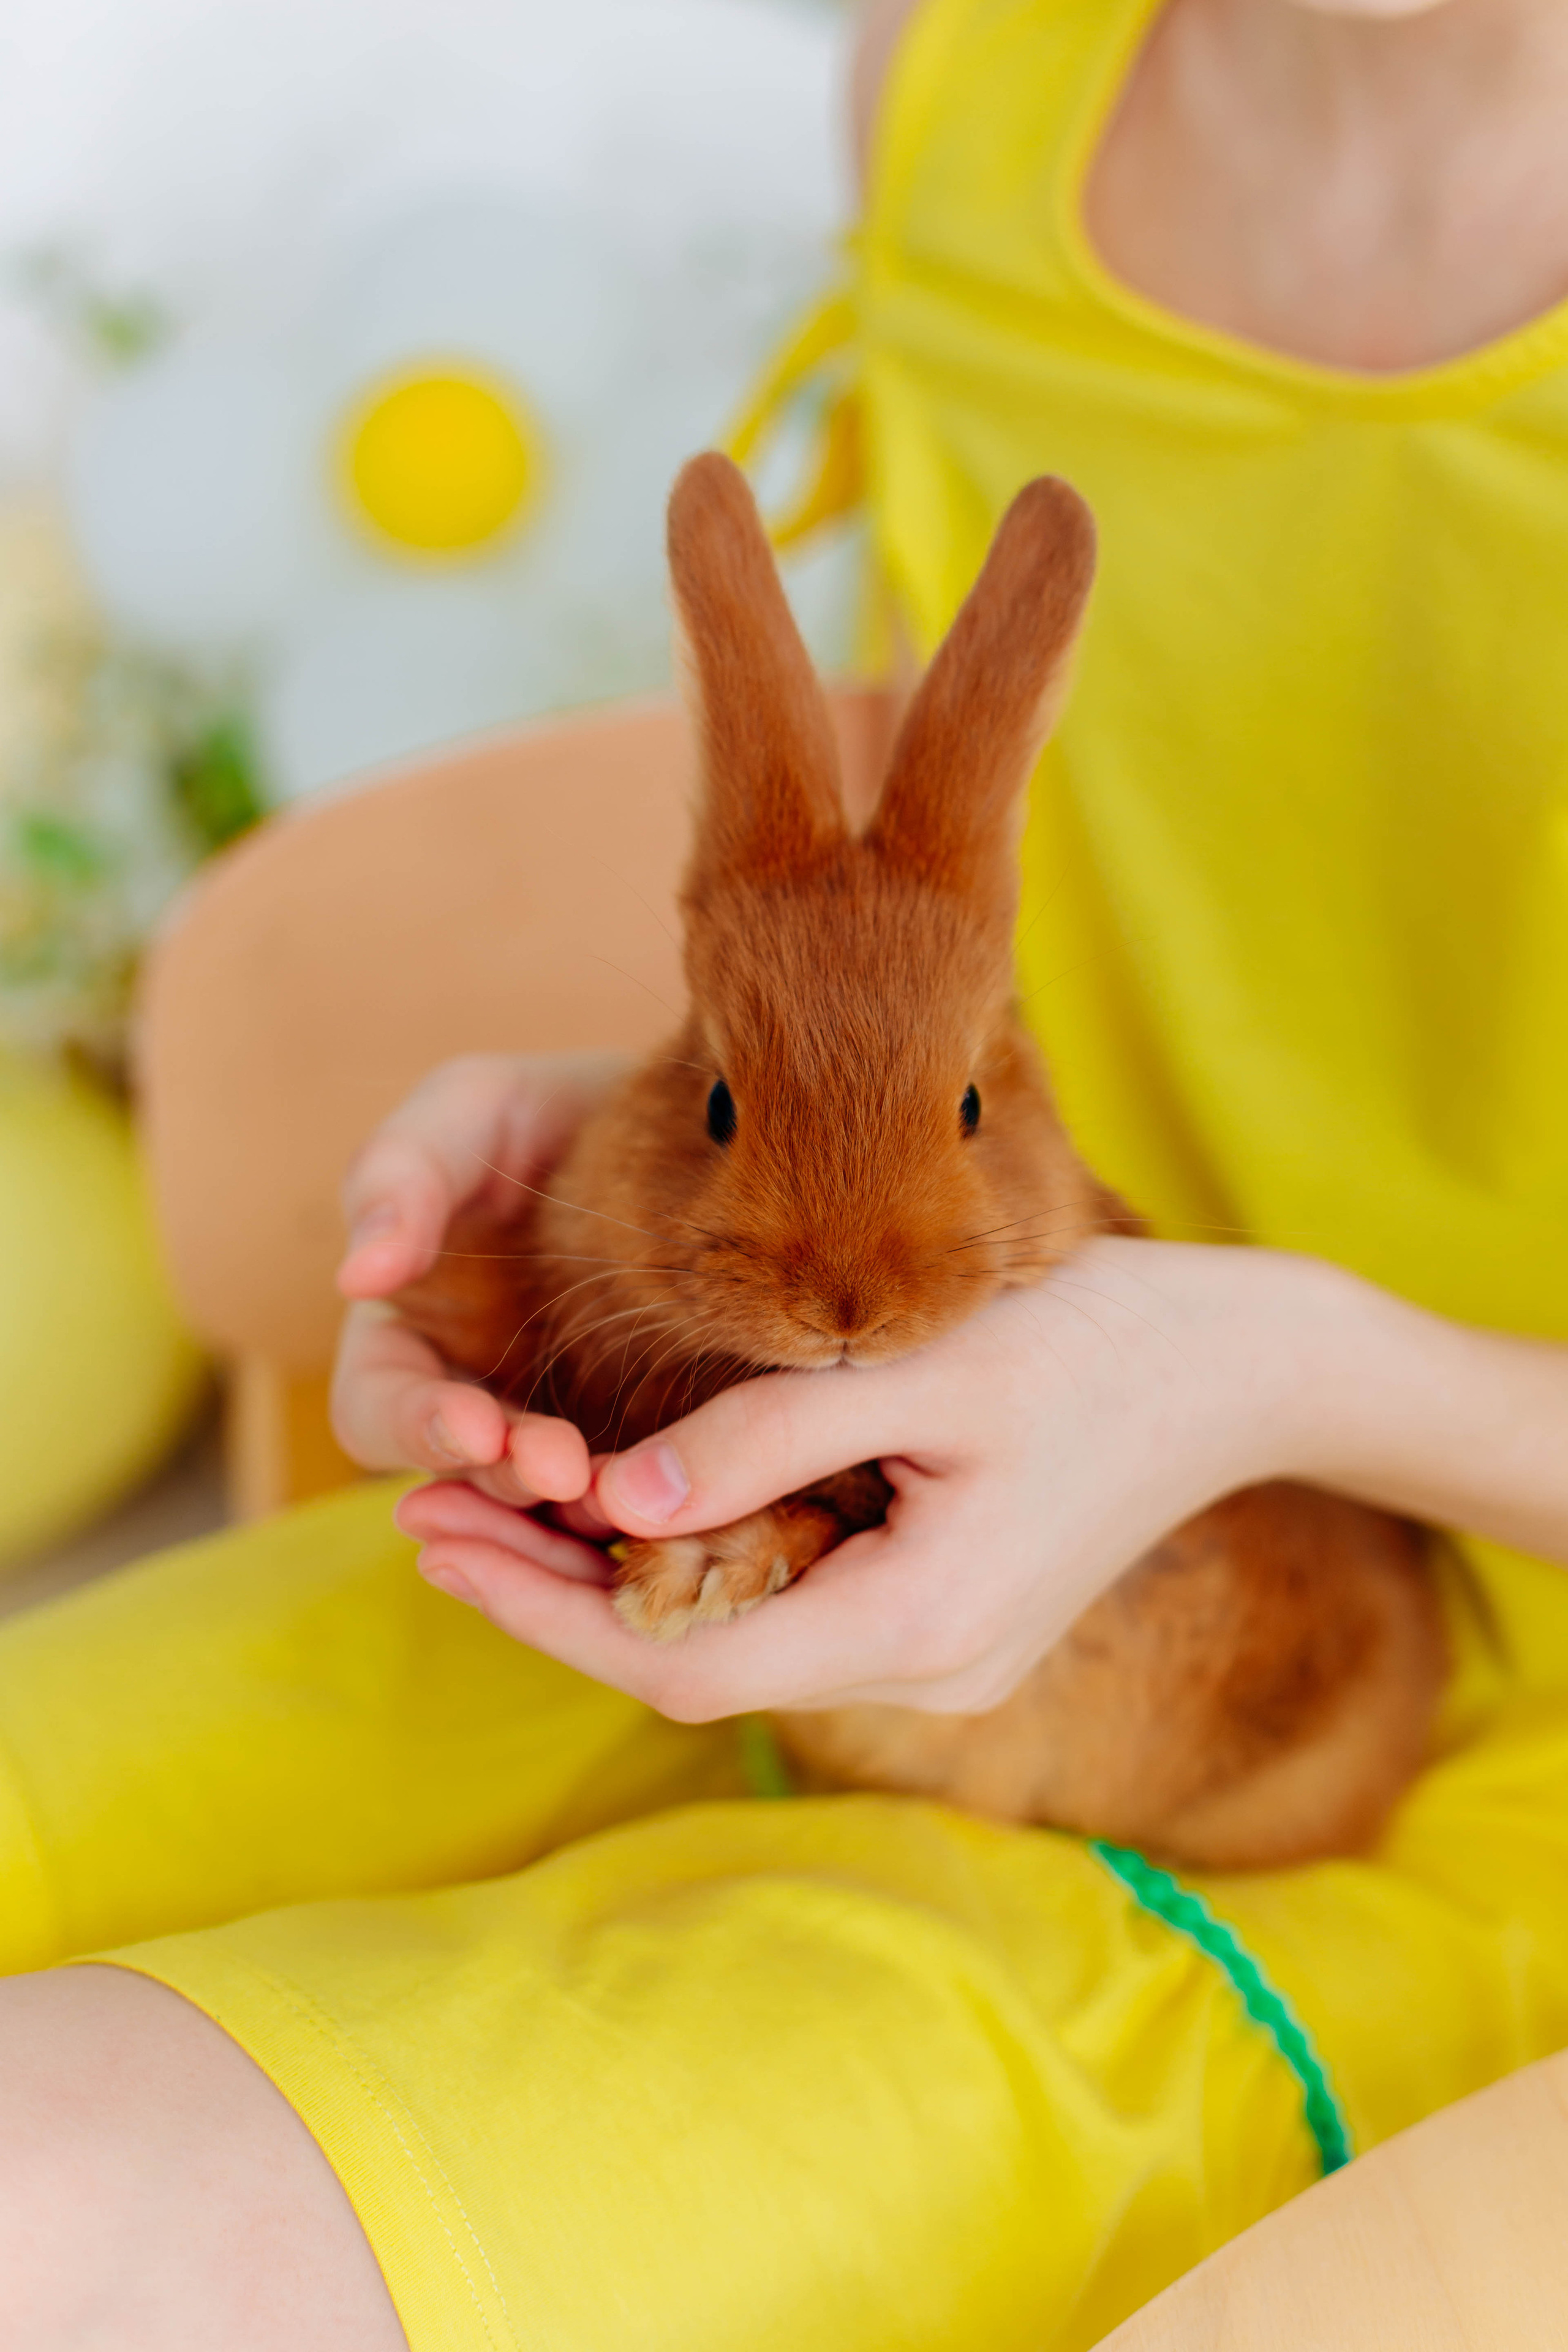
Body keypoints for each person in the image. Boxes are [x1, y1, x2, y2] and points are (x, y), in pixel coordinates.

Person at [6, 0, 1568, 2342]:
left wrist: (1265, 1371)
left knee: (75, 2211)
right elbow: (911, 942)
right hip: (836, 1465)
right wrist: (612, 1158)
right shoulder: (958, 85)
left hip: (1361, 1735)